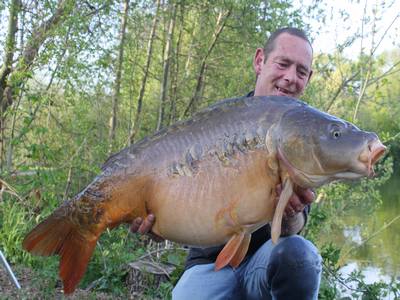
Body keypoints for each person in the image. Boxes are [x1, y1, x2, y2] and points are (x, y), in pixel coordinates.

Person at [131, 27, 322, 299]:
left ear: (308, 79)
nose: (290, 77)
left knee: (301, 257)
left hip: (265, 262)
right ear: (260, 61)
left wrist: (290, 212)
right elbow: (180, 199)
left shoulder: (303, 131)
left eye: (301, 71)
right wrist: (157, 225)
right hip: (210, 263)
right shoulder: (219, 120)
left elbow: (295, 228)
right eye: (283, 64)